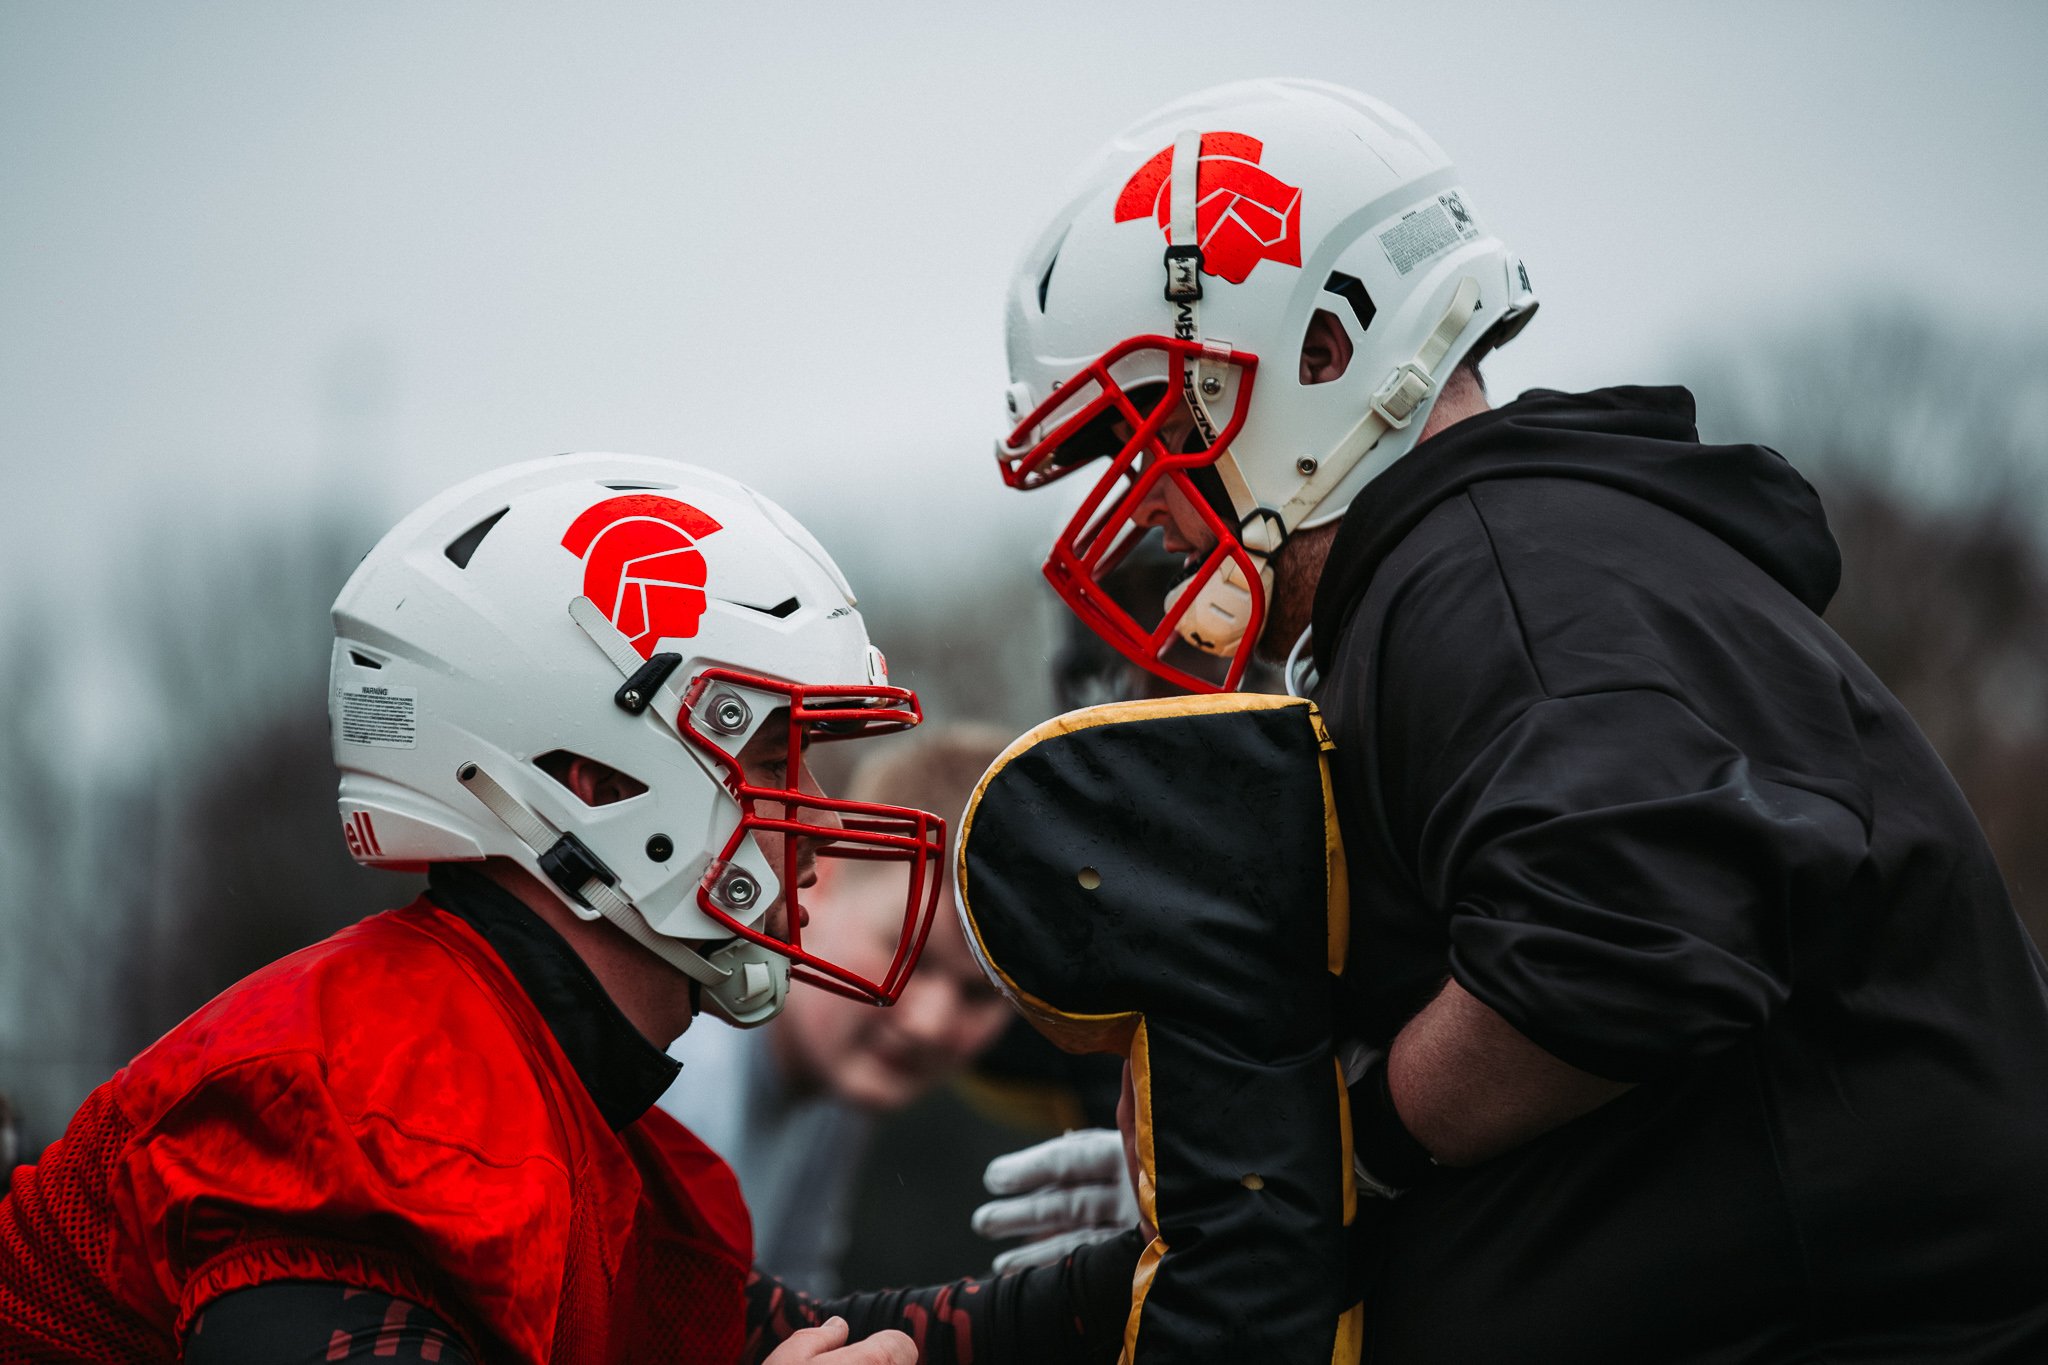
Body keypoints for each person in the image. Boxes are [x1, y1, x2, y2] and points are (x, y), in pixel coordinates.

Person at [979, 78, 2048, 1361]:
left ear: (1321, 354)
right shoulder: (1486, 567)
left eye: (1147, 423)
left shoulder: (1493, 571)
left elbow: (1623, 931)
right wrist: (1228, 1147)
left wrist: (1328, 1147)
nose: (1143, 506)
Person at [0, 455, 1137, 1364]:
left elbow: (812, 1340)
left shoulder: (552, 1091)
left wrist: (1153, 1264)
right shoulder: (362, 1106)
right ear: (592, 781)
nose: (816, 813)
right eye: (774, 755)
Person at [660, 724, 1017, 1295]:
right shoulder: (682, 1084)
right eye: (907, 956)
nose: (929, 1023)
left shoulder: (831, 1089)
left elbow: (796, 1292)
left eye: (979, 994)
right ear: (815, 884)